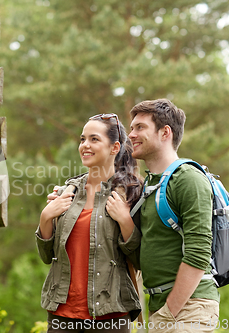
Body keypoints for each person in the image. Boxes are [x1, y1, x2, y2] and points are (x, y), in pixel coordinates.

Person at [36, 113, 143, 333]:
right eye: (82, 139)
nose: (85, 145)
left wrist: (125, 221)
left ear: (114, 148)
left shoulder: (131, 194)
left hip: (111, 314)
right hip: (61, 314)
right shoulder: (68, 192)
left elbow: (141, 260)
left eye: (94, 139)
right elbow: (47, 256)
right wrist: (46, 217)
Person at [127, 99, 220, 332]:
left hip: (189, 307)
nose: (131, 135)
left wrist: (170, 311)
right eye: (131, 128)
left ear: (165, 132)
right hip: (161, 307)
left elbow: (199, 253)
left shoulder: (188, 178)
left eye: (140, 127)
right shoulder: (150, 185)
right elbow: (144, 255)